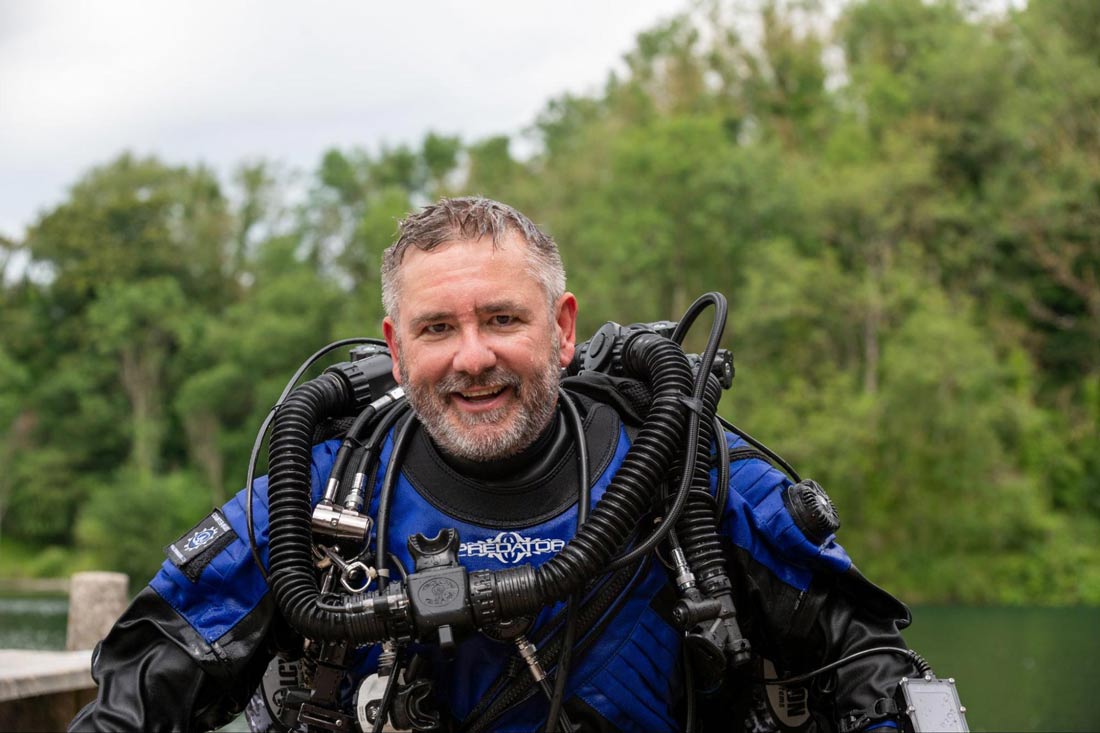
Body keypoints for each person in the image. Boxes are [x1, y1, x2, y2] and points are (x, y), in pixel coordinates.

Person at [70, 197, 919, 733]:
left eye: (503, 319)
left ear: (563, 328)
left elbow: (871, 672)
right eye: (439, 328)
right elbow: (138, 697)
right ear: (398, 350)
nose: (473, 357)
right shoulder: (323, 500)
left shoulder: (692, 479)